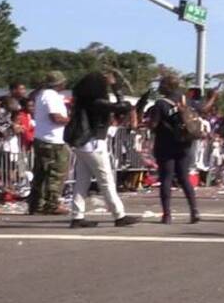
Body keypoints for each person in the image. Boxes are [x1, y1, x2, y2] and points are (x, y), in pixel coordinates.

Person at [63, 69, 141, 229]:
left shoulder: (82, 101)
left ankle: (77, 216)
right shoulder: (97, 102)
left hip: (81, 143)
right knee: (106, 180)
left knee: (82, 181)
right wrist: (115, 87)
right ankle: (119, 215)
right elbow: (122, 107)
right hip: (93, 143)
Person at [147, 74, 201, 224]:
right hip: (184, 143)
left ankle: (167, 214)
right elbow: (201, 110)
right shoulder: (186, 100)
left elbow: (154, 124)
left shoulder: (160, 104)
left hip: (165, 145)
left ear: (165, 87)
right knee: (184, 178)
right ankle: (194, 210)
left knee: (166, 178)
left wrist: (147, 124)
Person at [29, 71, 71, 215]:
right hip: (53, 140)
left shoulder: (41, 94)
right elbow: (56, 118)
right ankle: (51, 204)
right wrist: (72, 120)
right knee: (55, 174)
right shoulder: (51, 96)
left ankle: (36, 204)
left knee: (41, 174)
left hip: (42, 138)